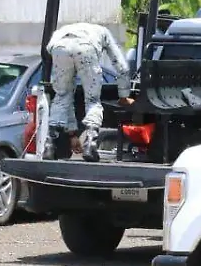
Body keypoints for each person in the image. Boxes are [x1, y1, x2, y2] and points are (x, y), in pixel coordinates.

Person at [45, 22, 134, 162]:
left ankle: (49, 144)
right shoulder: (103, 32)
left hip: (59, 47)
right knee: (92, 100)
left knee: (62, 96)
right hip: (86, 48)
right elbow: (122, 67)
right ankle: (90, 144)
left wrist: (72, 134)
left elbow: (49, 48)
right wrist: (124, 96)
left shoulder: (63, 29)